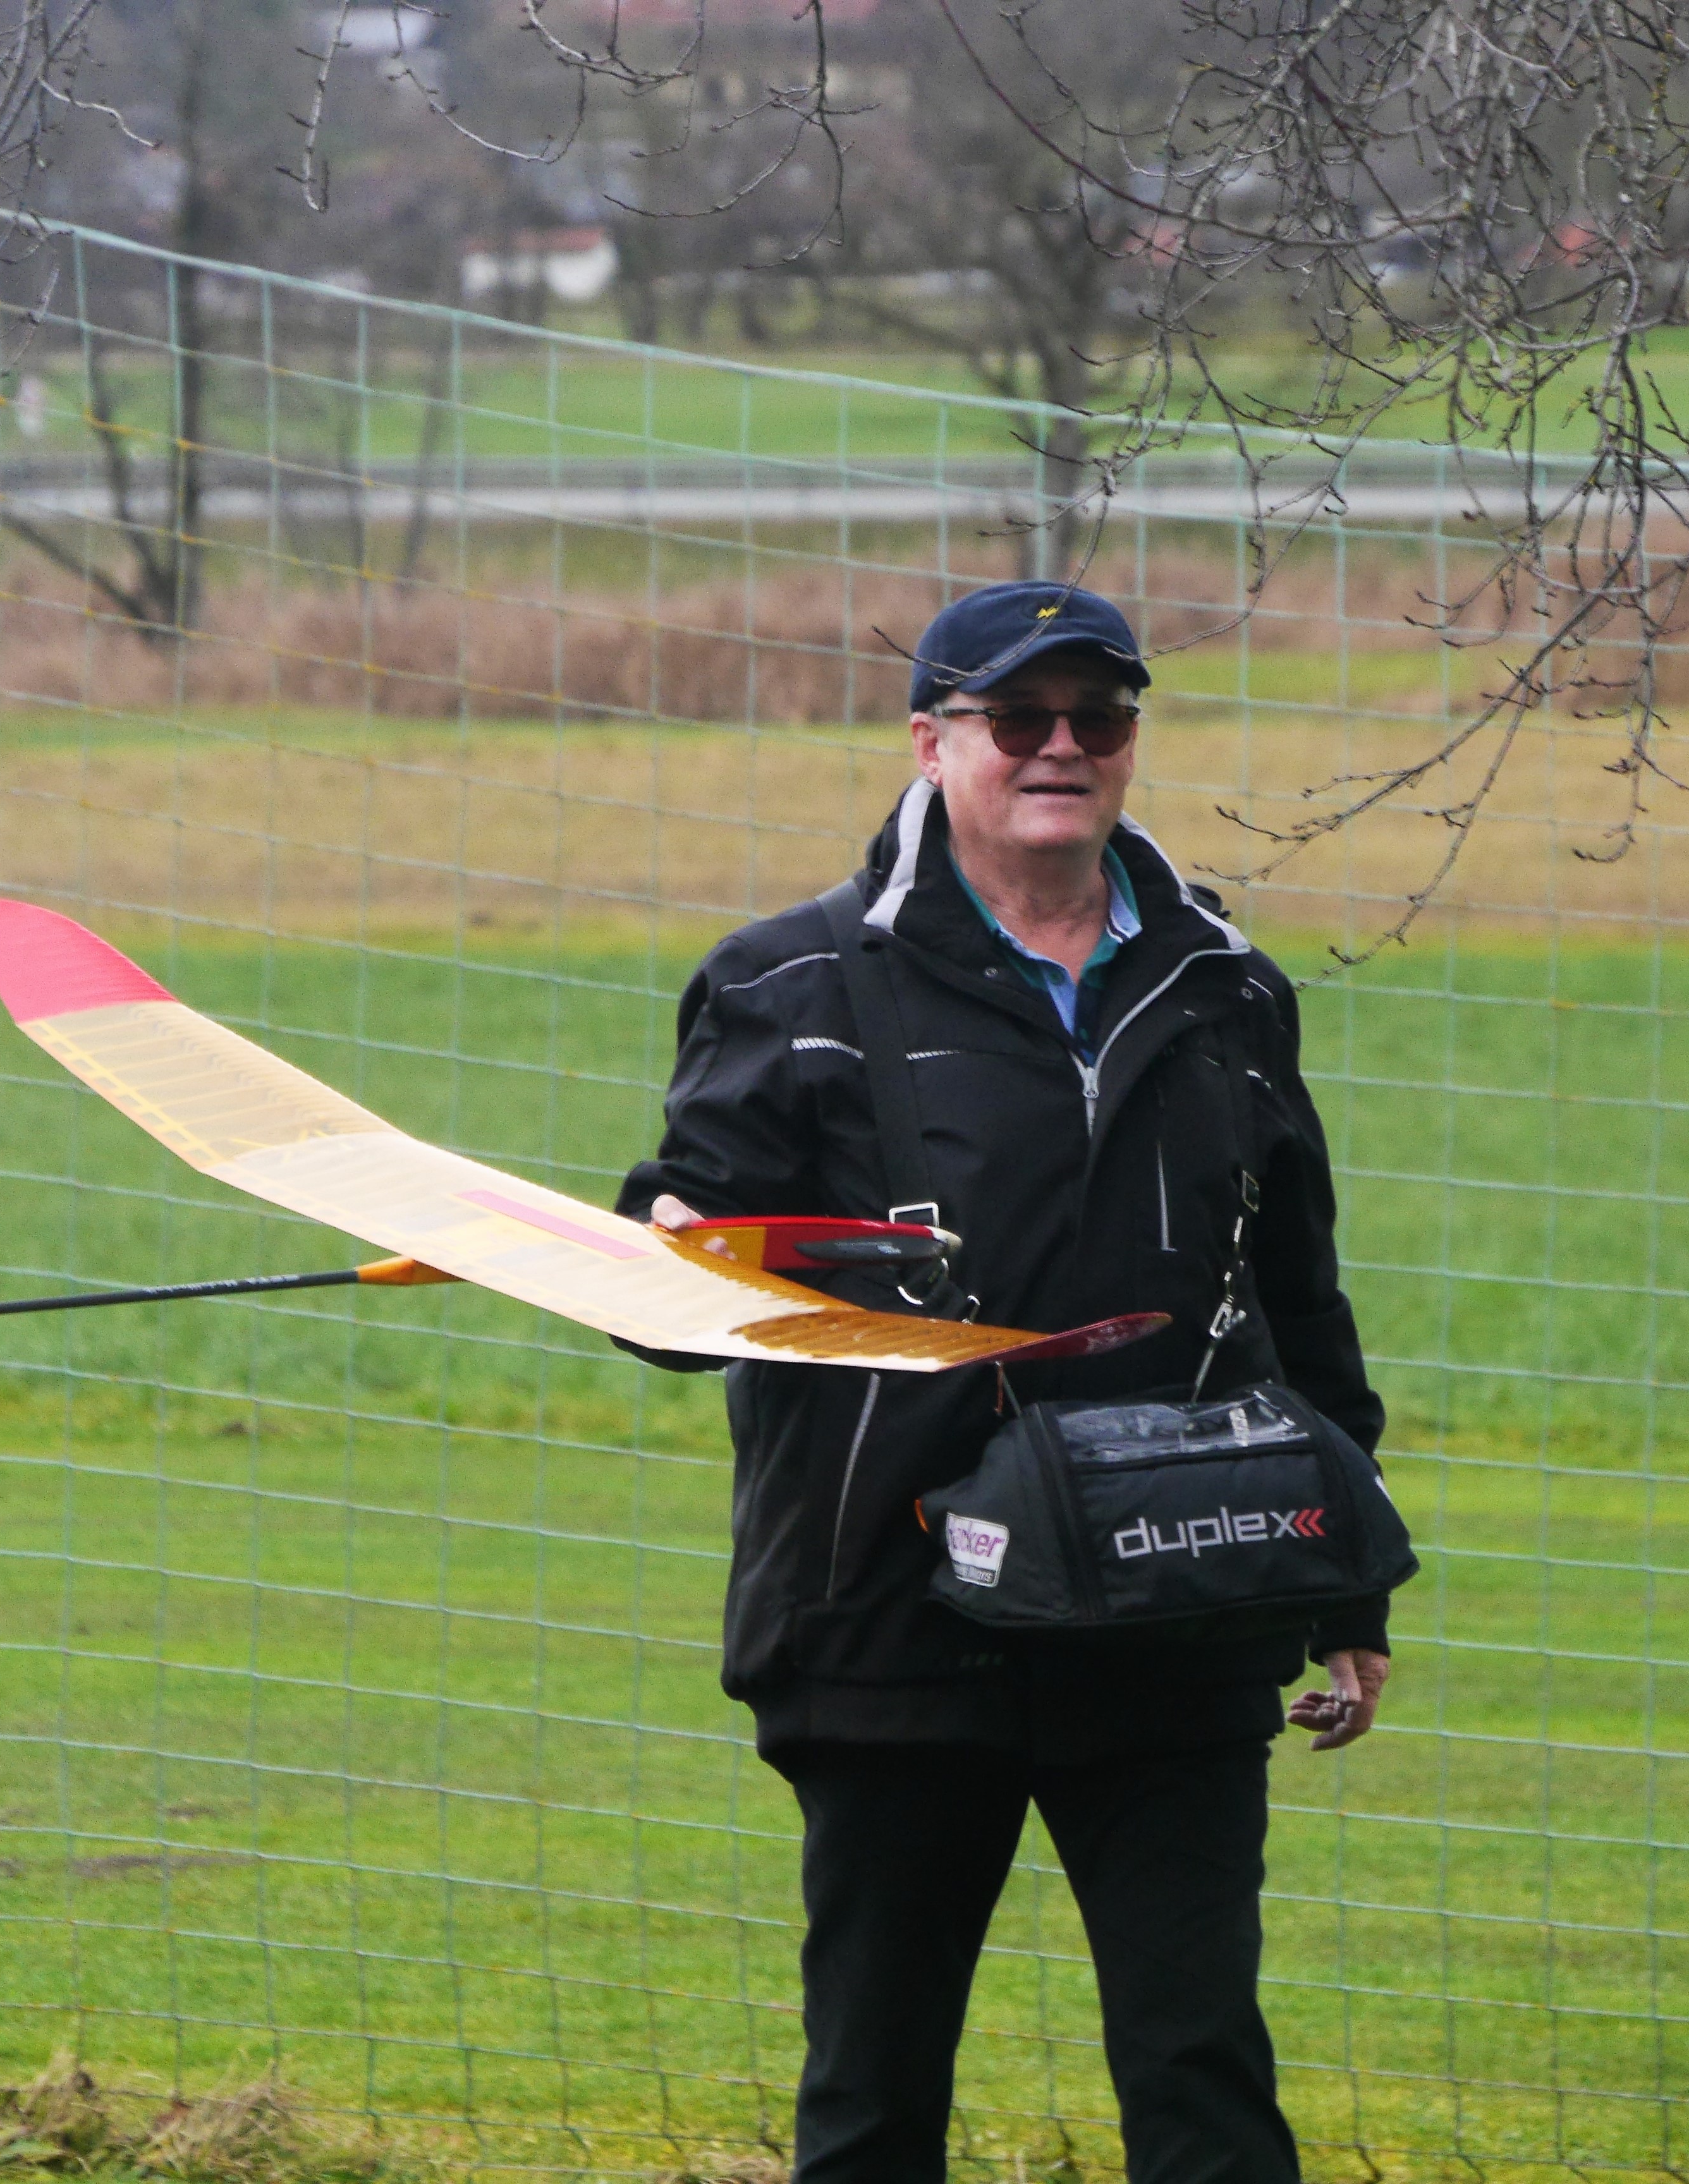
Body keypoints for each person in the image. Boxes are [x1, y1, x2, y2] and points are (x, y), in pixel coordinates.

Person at [615, 579, 1391, 2184]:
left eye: (1098, 717)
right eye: (1017, 717)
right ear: (931, 742)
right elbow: (682, 1304)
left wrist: (1350, 1584)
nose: (1061, 747)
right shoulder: (788, 985)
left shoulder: (1227, 987)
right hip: (892, 1623)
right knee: (875, 2098)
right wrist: (664, 1258)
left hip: (1177, 1606)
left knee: (1203, 2078)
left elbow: (1298, 1299)